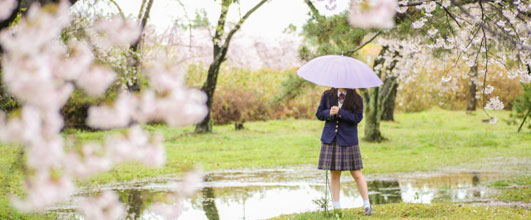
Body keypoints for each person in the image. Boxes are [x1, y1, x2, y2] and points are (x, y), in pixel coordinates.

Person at [316, 87, 372, 215]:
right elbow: (319, 114)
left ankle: (367, 205)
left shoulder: (357, 98)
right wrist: (329, 112)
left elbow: (357, 118)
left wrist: (340, 112)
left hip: (348, 139)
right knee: (334, 174)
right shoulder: (327, 95)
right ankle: (337, 208)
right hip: (331, 139)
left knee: (356, 173)